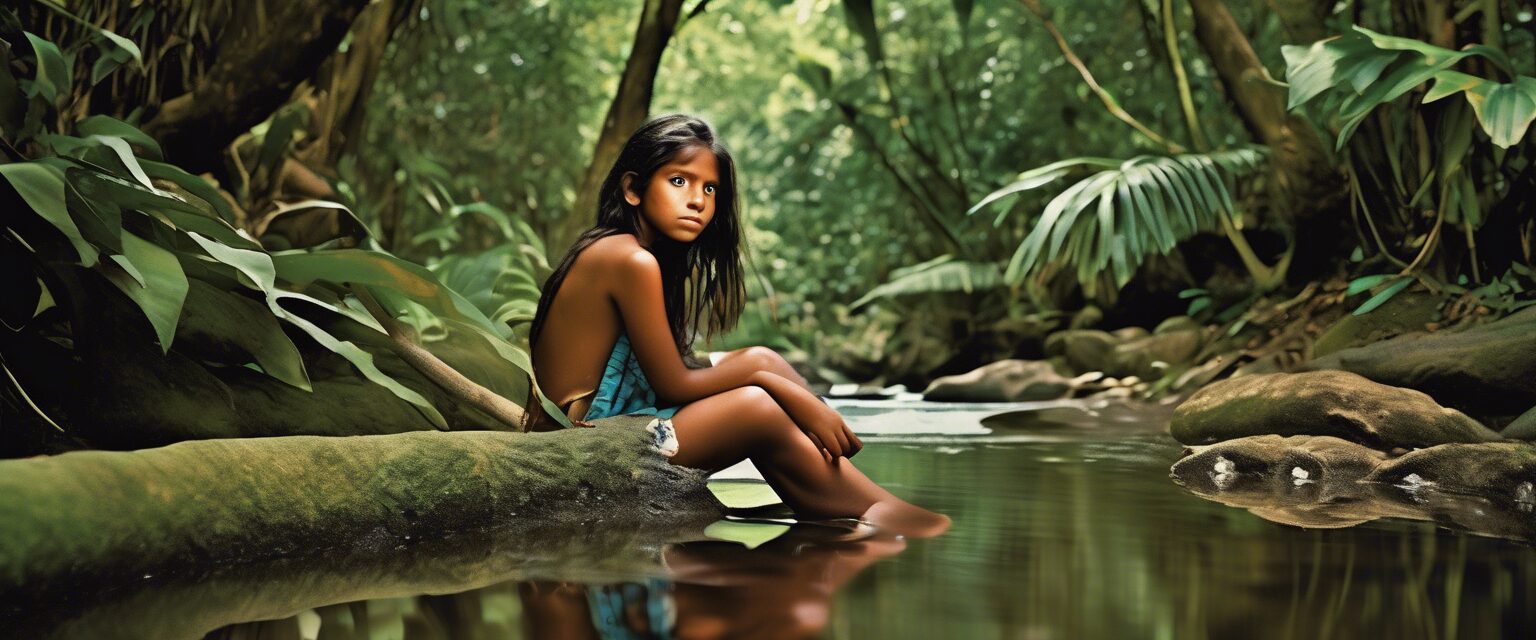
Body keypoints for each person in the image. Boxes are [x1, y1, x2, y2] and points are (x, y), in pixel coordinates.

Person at [525, 114, 949, 538]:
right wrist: (773, 385)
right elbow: (673, 385)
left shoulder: (627, 251)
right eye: (679, 181)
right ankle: (866, 507)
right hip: (582, 444)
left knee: (763, 358)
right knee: (757, 405)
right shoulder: (629, 259)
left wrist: (765, 371)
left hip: (616, 418)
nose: (697, 200)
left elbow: (667, 371)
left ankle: (847, 496)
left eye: (709, 188)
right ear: (633, 189)